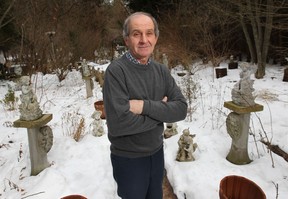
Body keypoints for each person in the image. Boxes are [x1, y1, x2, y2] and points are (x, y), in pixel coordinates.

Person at [103, 12, 187, 199]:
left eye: (149, 33)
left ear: (155, 38)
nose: (144, 40)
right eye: (136, 34)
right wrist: (162, 113)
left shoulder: (161, 71)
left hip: (157, 154)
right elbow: (118, 125)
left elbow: (181, 109)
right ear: (126, 39)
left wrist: (143, 107)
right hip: (128, 160)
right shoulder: (116, 72)